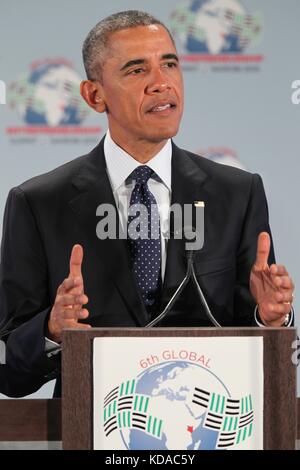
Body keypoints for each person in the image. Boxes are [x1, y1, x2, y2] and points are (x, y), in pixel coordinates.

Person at [0, 10, 294, 397]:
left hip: (205, 424)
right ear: (94, 95)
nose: (161, 83)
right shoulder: (38, 204)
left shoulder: (237, 193)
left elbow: (264, 354)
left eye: (169, 64)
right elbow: (9, 369)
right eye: (136, 70)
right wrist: (51, 330)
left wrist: (270, 319)